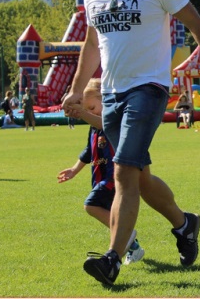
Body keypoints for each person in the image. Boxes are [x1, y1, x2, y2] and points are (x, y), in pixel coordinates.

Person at [61, 0, 200, 285]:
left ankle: (111, 259)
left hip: (149, 89)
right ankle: (185, 224)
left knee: (123, 170)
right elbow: (91, 45)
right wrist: (77, 89)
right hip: (111, 94)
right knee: (139, 175)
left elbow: (197, 24)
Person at [57, 79, 144, 265]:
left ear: (105, 100)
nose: (89, 113)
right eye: (87, 110)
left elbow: (104, 123)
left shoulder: (113, 121)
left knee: (91, 205)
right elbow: (88, 152)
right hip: (99, 178)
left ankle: (127, 236)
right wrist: (74, 170)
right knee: (113, 216)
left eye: (92, 107)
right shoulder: (92, 128)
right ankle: (134, 248)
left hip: (113, 178)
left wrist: (82, 113)